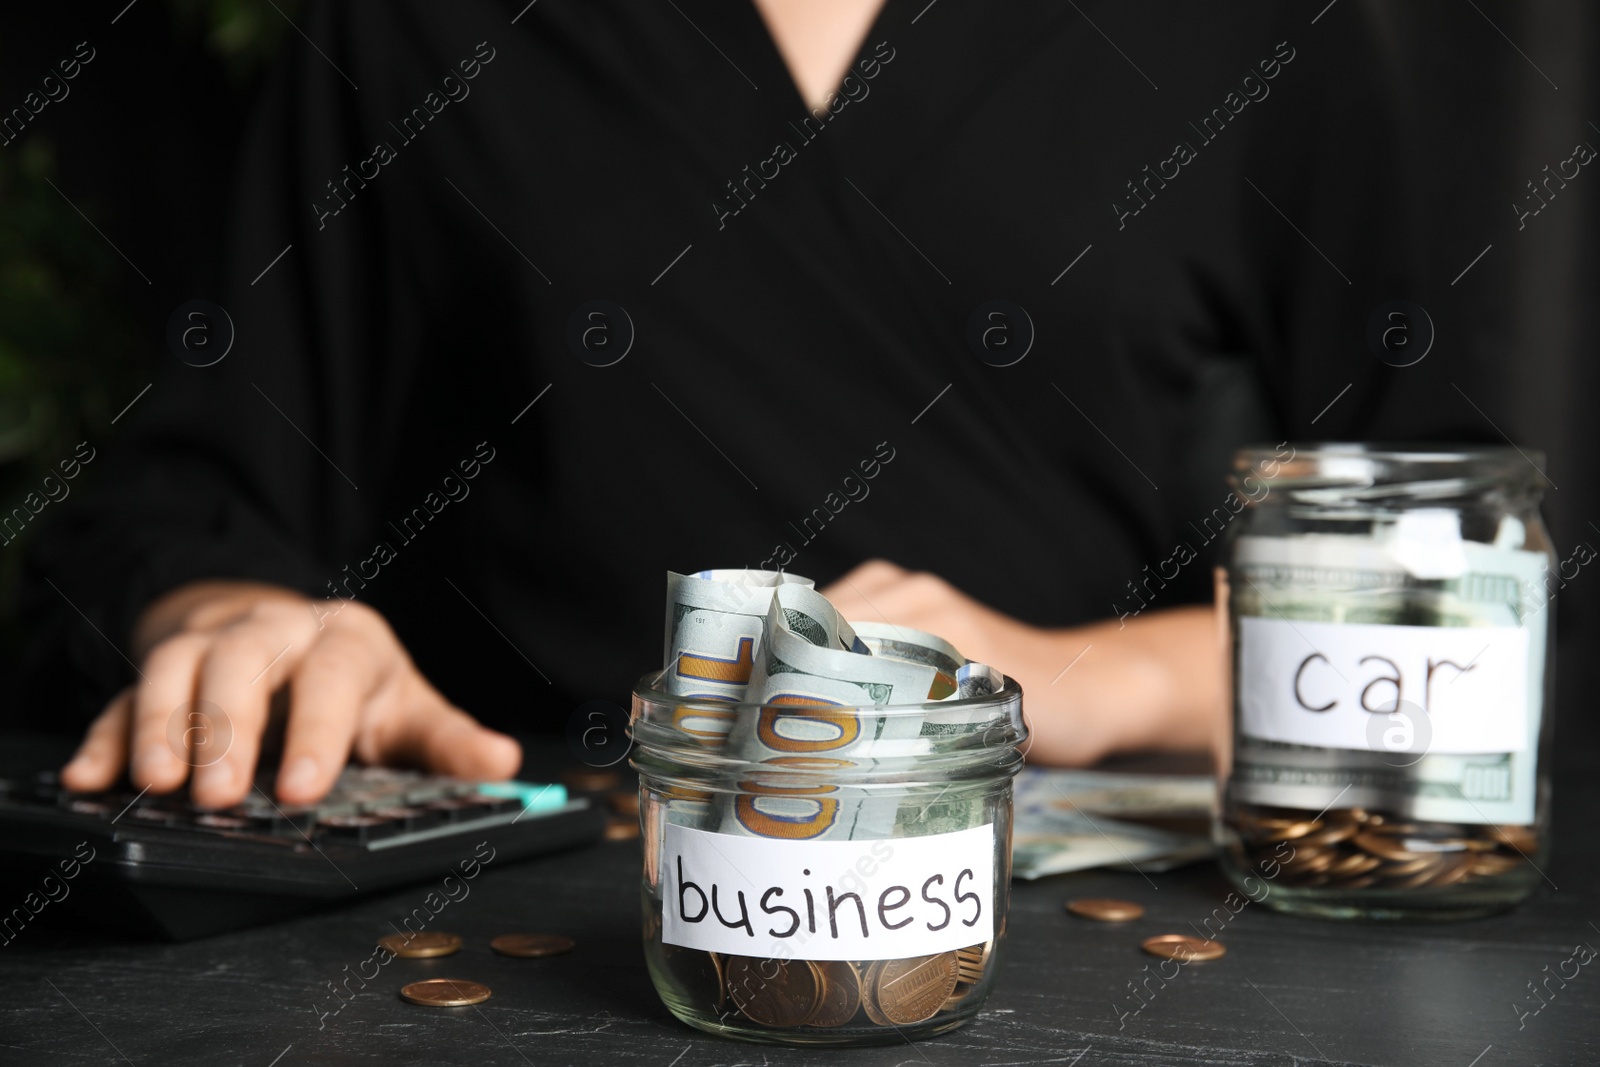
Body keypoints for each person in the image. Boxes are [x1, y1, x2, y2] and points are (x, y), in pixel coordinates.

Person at [31, 0, 1423, 809]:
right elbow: (198, 496)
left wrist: (1092, 678)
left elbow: (1467, 576)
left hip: (1080, 903)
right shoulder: (416, 19)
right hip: (538, 915)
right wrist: (244, 636)